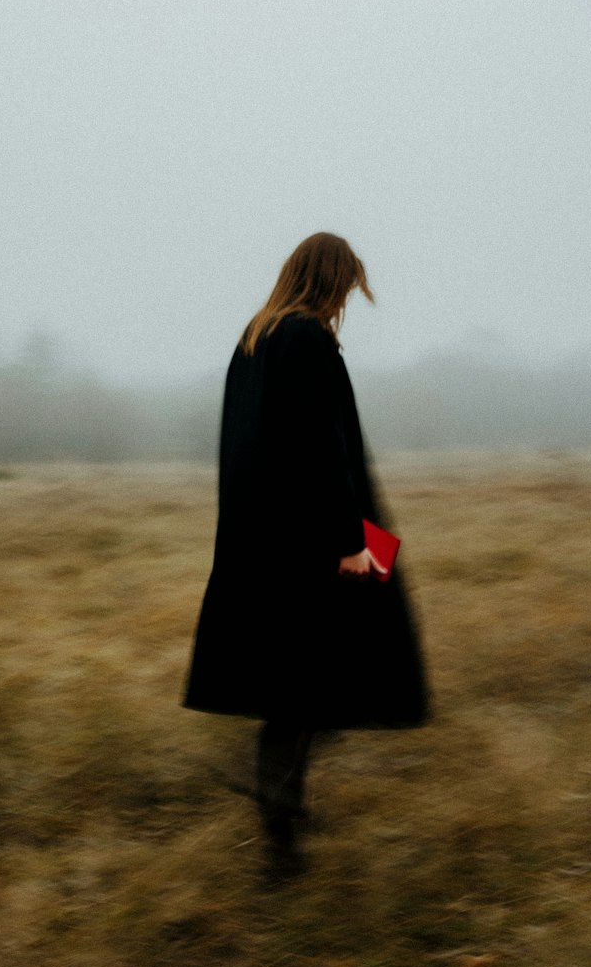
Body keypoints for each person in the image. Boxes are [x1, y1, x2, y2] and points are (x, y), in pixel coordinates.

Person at [183, 232, 429, 874]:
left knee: (306, 686)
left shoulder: (256, 338)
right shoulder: (305, 338)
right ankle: (281, 837)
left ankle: (284, 813)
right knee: (323, 682)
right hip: (315, 541)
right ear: (329, 281)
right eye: (346, 286)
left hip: (264, 541)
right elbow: (322, 446)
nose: (348, 299)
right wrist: (351, 540)